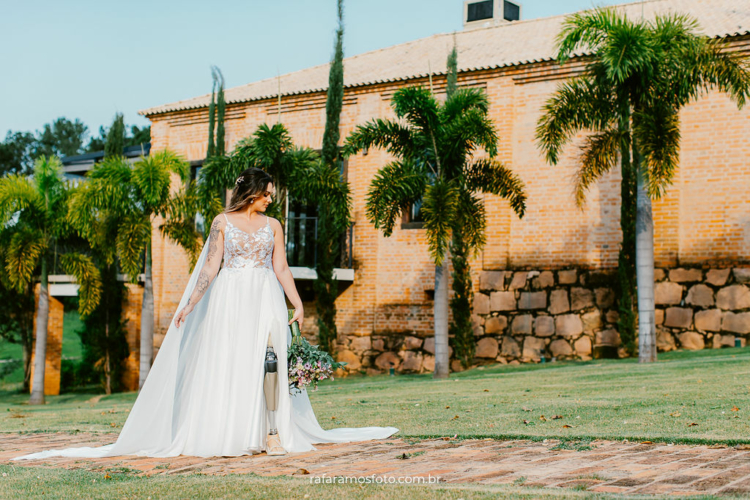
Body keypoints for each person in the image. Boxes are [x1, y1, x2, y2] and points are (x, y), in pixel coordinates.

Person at [12, 167, 398, 460]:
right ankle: (227, 429)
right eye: (266, 195)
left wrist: (295, 303)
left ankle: (272, 432)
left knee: (270, 361)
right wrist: (190, 303)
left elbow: (281, 267)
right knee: (230, 360)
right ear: (251, 195)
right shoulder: (221, 223)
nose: (270, 200)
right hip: (229, 296)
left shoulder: (275, 225)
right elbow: (210, 267)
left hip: (264, 293)